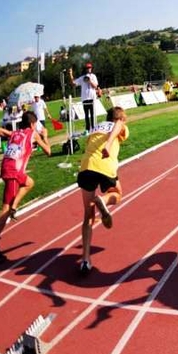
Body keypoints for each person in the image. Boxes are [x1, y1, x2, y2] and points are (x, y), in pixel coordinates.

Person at [0, 111, 51, 262]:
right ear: (32, 124)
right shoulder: (33, 134)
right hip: (14, 171)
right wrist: (45, 137)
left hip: (6, 168)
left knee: (28, 184)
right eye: (36, 124)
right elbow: (48, 151)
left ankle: (11, 211)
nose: (37, 126)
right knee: (7, 208)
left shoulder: (16, 132)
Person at [76, 106, 129, 274]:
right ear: (120, 118)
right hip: (105, 165)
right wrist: (108, 144)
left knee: (88, 216)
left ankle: (85, 260)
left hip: (86, 166)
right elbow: (119, 125)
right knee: (118, 194)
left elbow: (88, 147)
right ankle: (103, 200)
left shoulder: (95, 127)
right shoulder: (120, 124)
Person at [71, 63, 99, 131]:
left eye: (90, 68)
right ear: (85, 69)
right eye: (87, 68)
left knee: (92, 114)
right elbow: (73, 84)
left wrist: (89, 81)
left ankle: (93, 128)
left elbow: (95, 86)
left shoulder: (93, 76)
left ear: (91, 68)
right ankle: (87, 129)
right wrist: (70, 74)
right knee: (86, 114)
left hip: (92, 98)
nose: (89, 69)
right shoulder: (82, 77)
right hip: (85, 98)